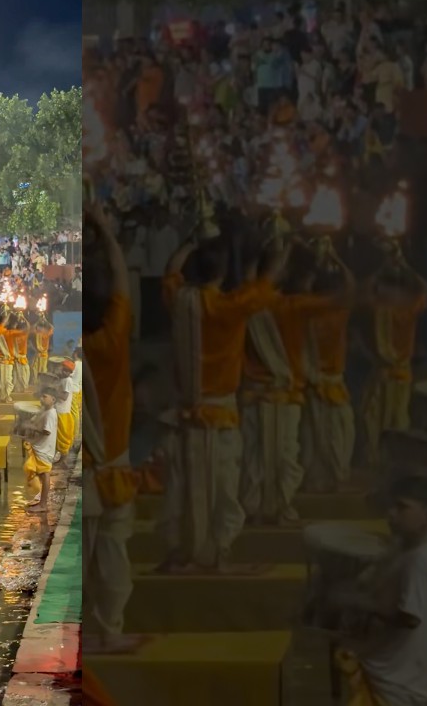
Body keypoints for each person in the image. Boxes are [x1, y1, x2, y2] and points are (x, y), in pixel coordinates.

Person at [157, 237, 285, 573]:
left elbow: (170, 272)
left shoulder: (181, 302)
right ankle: (218, 551)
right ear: (223, 274)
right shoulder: (232, 306)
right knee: (224, 490)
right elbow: (265, 284)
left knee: (180, 489)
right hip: (222, 417)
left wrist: (187, 242)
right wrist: (277, 250)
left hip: (188, 417)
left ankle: (179, 553)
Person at [240, 248, 340, 526]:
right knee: (277, 456)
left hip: (263, 398)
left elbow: (251, 279)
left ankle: (262, 507)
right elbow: (348, 297)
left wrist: (270, 249)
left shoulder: (245, 302)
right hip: (274, 398)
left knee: (258, 456)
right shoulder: (289, 306)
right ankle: (272, 508)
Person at [85, 201, 144, 653]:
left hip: (82, 469)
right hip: (116, 461)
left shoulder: (65, 353)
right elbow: (123, 281)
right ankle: (110, 632)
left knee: (78, 563)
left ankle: (76, 638)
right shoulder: (114, 336)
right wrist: (105, 230)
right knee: (114, 556)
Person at [333, 477, 427, 706]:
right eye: (390, 507)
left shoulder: (420, 560)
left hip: (398, 682)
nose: (391, 514)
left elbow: (410, 617)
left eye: (402, 507)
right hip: (390, 673)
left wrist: (359, 602)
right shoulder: (407, 553)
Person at [358, 255, 427, 471]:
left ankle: (387, 460)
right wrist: (405, 267)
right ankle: (384, 461)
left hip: (391, 375)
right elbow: (424, 289)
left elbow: (366, 292)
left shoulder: (393, 311)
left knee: (382, 417)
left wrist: (382, 268)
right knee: (381, 417)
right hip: (393, 374)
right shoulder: (399, 311)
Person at [302, 253, 357, 494]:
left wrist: (315, 265)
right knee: (334, 437)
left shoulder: (306, 311)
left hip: (324, 386)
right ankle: (328, 481)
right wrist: (337, 258)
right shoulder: (336, 310)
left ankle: (325, 480)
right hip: (320, 384)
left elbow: (303, 289)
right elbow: (351, 286)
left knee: (316, 436)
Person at [20, 388, 59, 513]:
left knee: (44, 474)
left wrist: (31, 428)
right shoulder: (45, 411)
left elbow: (46, 431)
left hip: (44, 448)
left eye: (45, 397)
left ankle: (43, 504)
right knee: (40, 474)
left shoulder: (50, 413)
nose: (42, 399)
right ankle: (40, 498)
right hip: (40, 446)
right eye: (41, 396)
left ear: (53, 399)